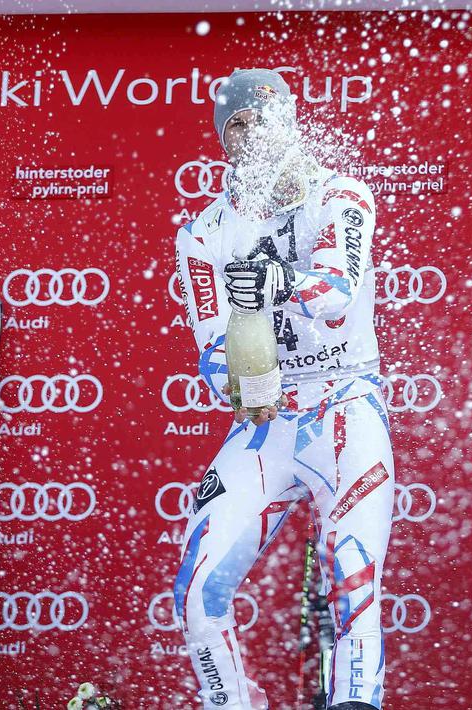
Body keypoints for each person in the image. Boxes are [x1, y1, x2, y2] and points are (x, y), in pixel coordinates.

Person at [171, 68, 392, 710]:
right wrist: (239, 385)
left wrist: (272, 285)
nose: (249, 133)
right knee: (197, 591)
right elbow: (213, 352)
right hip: (268, 421)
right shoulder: (207, 234)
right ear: (223, 140)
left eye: (261, 118)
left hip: (346, 402)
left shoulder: (339, 194)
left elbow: (335, 293)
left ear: (289, 123)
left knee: (353, 582)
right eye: (235, 124)